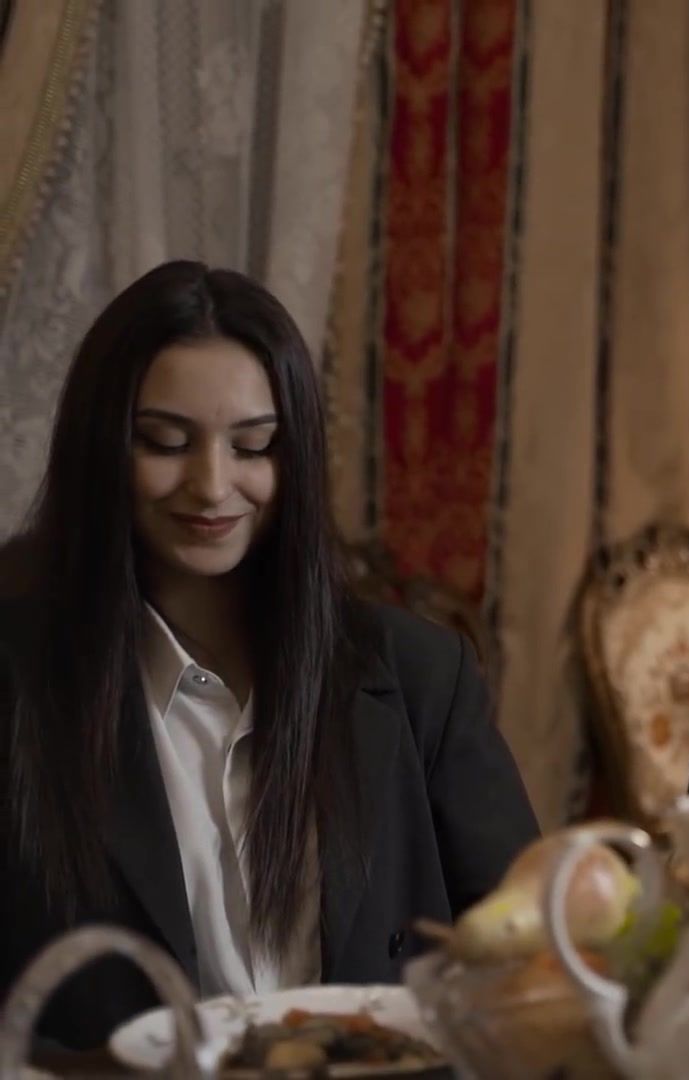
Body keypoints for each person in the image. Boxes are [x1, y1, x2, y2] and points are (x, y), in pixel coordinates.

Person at [0, 261, 540, 1048]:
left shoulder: (420, 675)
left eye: (253, 446)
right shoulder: (19, 677)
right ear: (101, 447)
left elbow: (531, 957)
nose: (211, 484)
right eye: (165, 442)